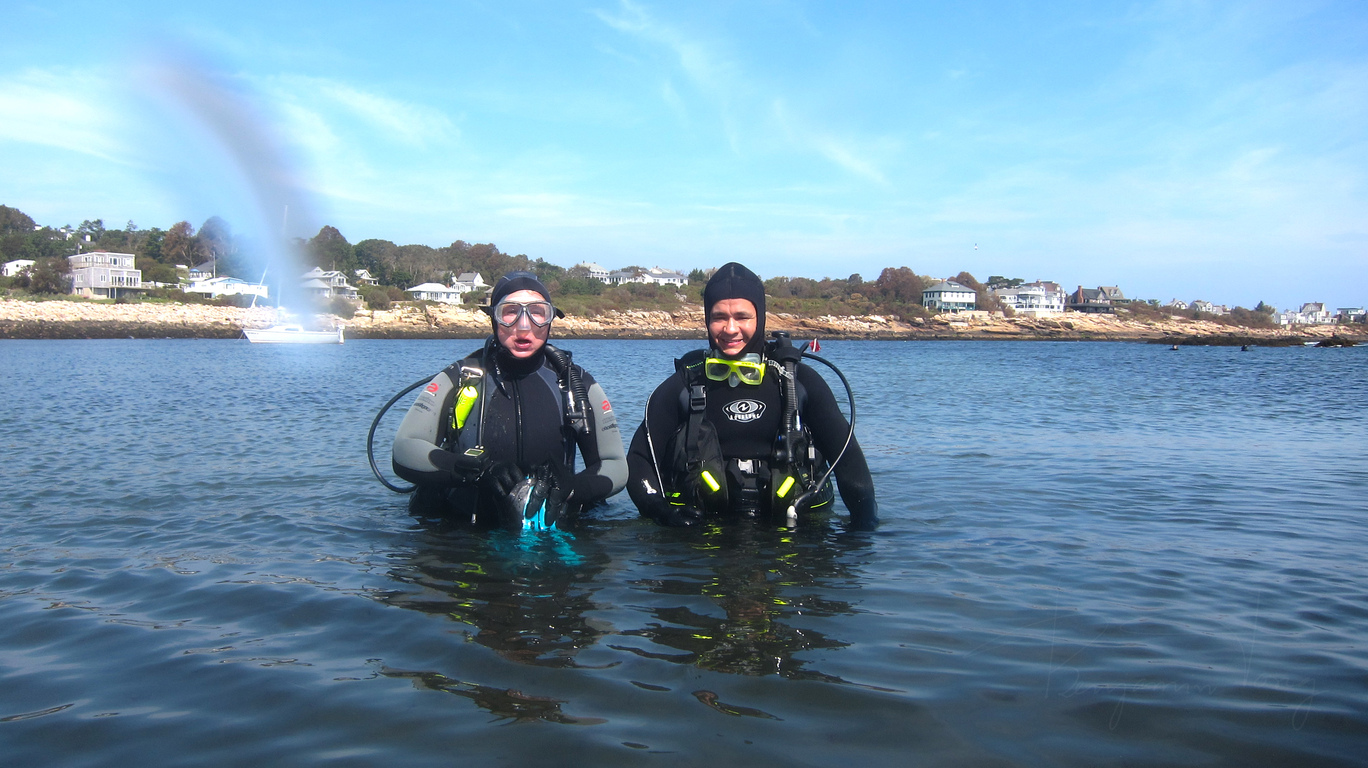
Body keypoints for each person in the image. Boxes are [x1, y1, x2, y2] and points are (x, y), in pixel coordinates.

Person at [626, 262, 878, 530]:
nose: (730, 329)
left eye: (742, 317)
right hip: (700, 538)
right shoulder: (686, 384)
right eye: (719, 317)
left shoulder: (797, 382)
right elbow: (639, 460)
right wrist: (661, 512)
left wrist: (862, 535)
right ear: (707, 319)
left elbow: (851, 467)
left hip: (793, 538)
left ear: (760, 318)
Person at [392, 271, 627, 527]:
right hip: (464, 534)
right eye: (510, 312)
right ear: (493, 318)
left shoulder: (575, 384)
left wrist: (573, 488)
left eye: (537, 312)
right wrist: (473, 471)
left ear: (550, 319)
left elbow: (616, 465)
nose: (523, 325)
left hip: (549, 534)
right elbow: (405, 448)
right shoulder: (462, 377)